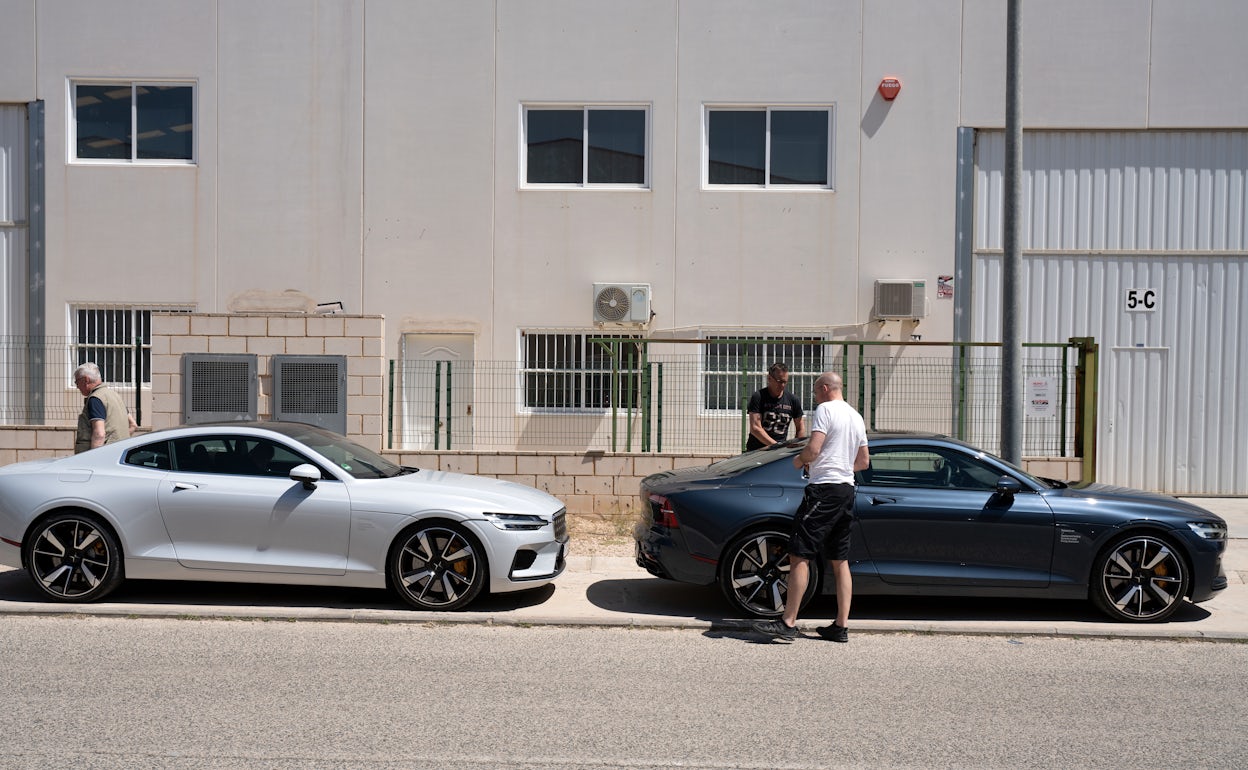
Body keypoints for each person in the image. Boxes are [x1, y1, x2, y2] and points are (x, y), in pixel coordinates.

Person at [752, 371, 868, 643]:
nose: (814, 397)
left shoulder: (826, 410)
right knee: (840, 560)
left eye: (816, 392)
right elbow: (863, 461)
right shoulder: (856, 416)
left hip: (824, 490)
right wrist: (840, 468)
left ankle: (788, 622)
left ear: (826, 388)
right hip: (846, 490)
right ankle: (840, 626)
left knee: (799, 553)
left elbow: (813, 450)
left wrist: (798, 462)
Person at [73, 362, 137, 453]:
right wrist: (118, 443)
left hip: (102, 457)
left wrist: (92, 458)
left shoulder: (95, 399)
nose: (77, 386)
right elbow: (133, 425)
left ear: (86, 380)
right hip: (118, 453)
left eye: (77, 382)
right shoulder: (114, 395)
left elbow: (99, 434)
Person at [745, 362, 806, 450]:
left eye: (785, 382)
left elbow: (800, 427)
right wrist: (777, 446)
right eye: (779, 381)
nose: (782, 385)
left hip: (778, 452)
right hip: (757, 450)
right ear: (769, 378)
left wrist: (797, 448)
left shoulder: (793, 400)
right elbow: (755, 428)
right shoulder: (758, 397)